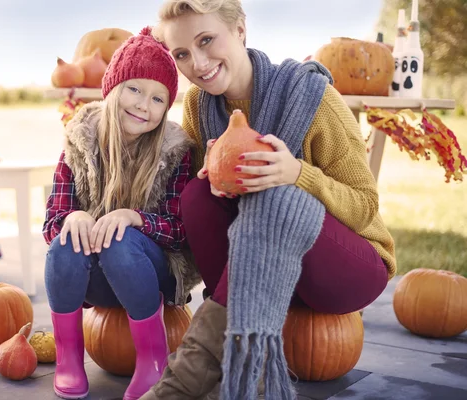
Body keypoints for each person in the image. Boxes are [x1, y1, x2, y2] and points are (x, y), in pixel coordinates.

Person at [140, 1, 397, 399]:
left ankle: (185, 381)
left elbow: (365, 206)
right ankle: (241, 361)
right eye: (183, 54)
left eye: (207, 40)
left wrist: (297, 174)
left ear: (240, 29)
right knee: (198, 194)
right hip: (265, 272)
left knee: (274, 197)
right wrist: (213, 173)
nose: (199, 62)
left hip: (347, 269)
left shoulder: (313, 98)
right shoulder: (199, 105)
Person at [42, 27, 200, 400]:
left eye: (158, 98)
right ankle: (68, 357)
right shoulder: (79, 144)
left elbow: (180, 233)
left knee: (120, 240)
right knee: (65, 243)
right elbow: (51, 222)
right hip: (96, 281)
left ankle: (152, 358)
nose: (144, 105)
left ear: (166, 107)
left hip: (150, 276)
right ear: (112, 89)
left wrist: (136, 219)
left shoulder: (175, 152)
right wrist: (72, 219)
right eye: (134, 89)